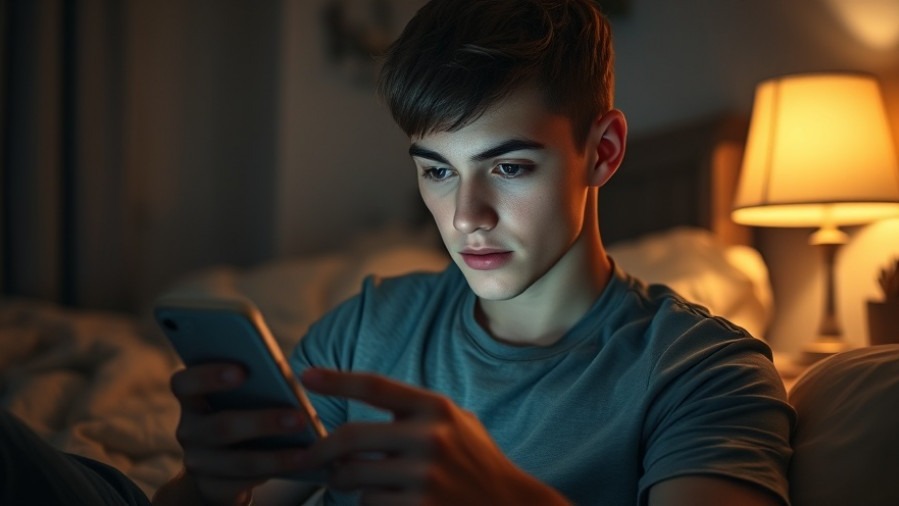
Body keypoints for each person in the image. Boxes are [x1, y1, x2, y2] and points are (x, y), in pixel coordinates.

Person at [155, 0, 794, 505]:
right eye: (438, 171)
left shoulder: (703, 374)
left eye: (509, 167)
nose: (466, 216)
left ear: (601, 152)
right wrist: (206, 489)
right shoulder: (364, 329)